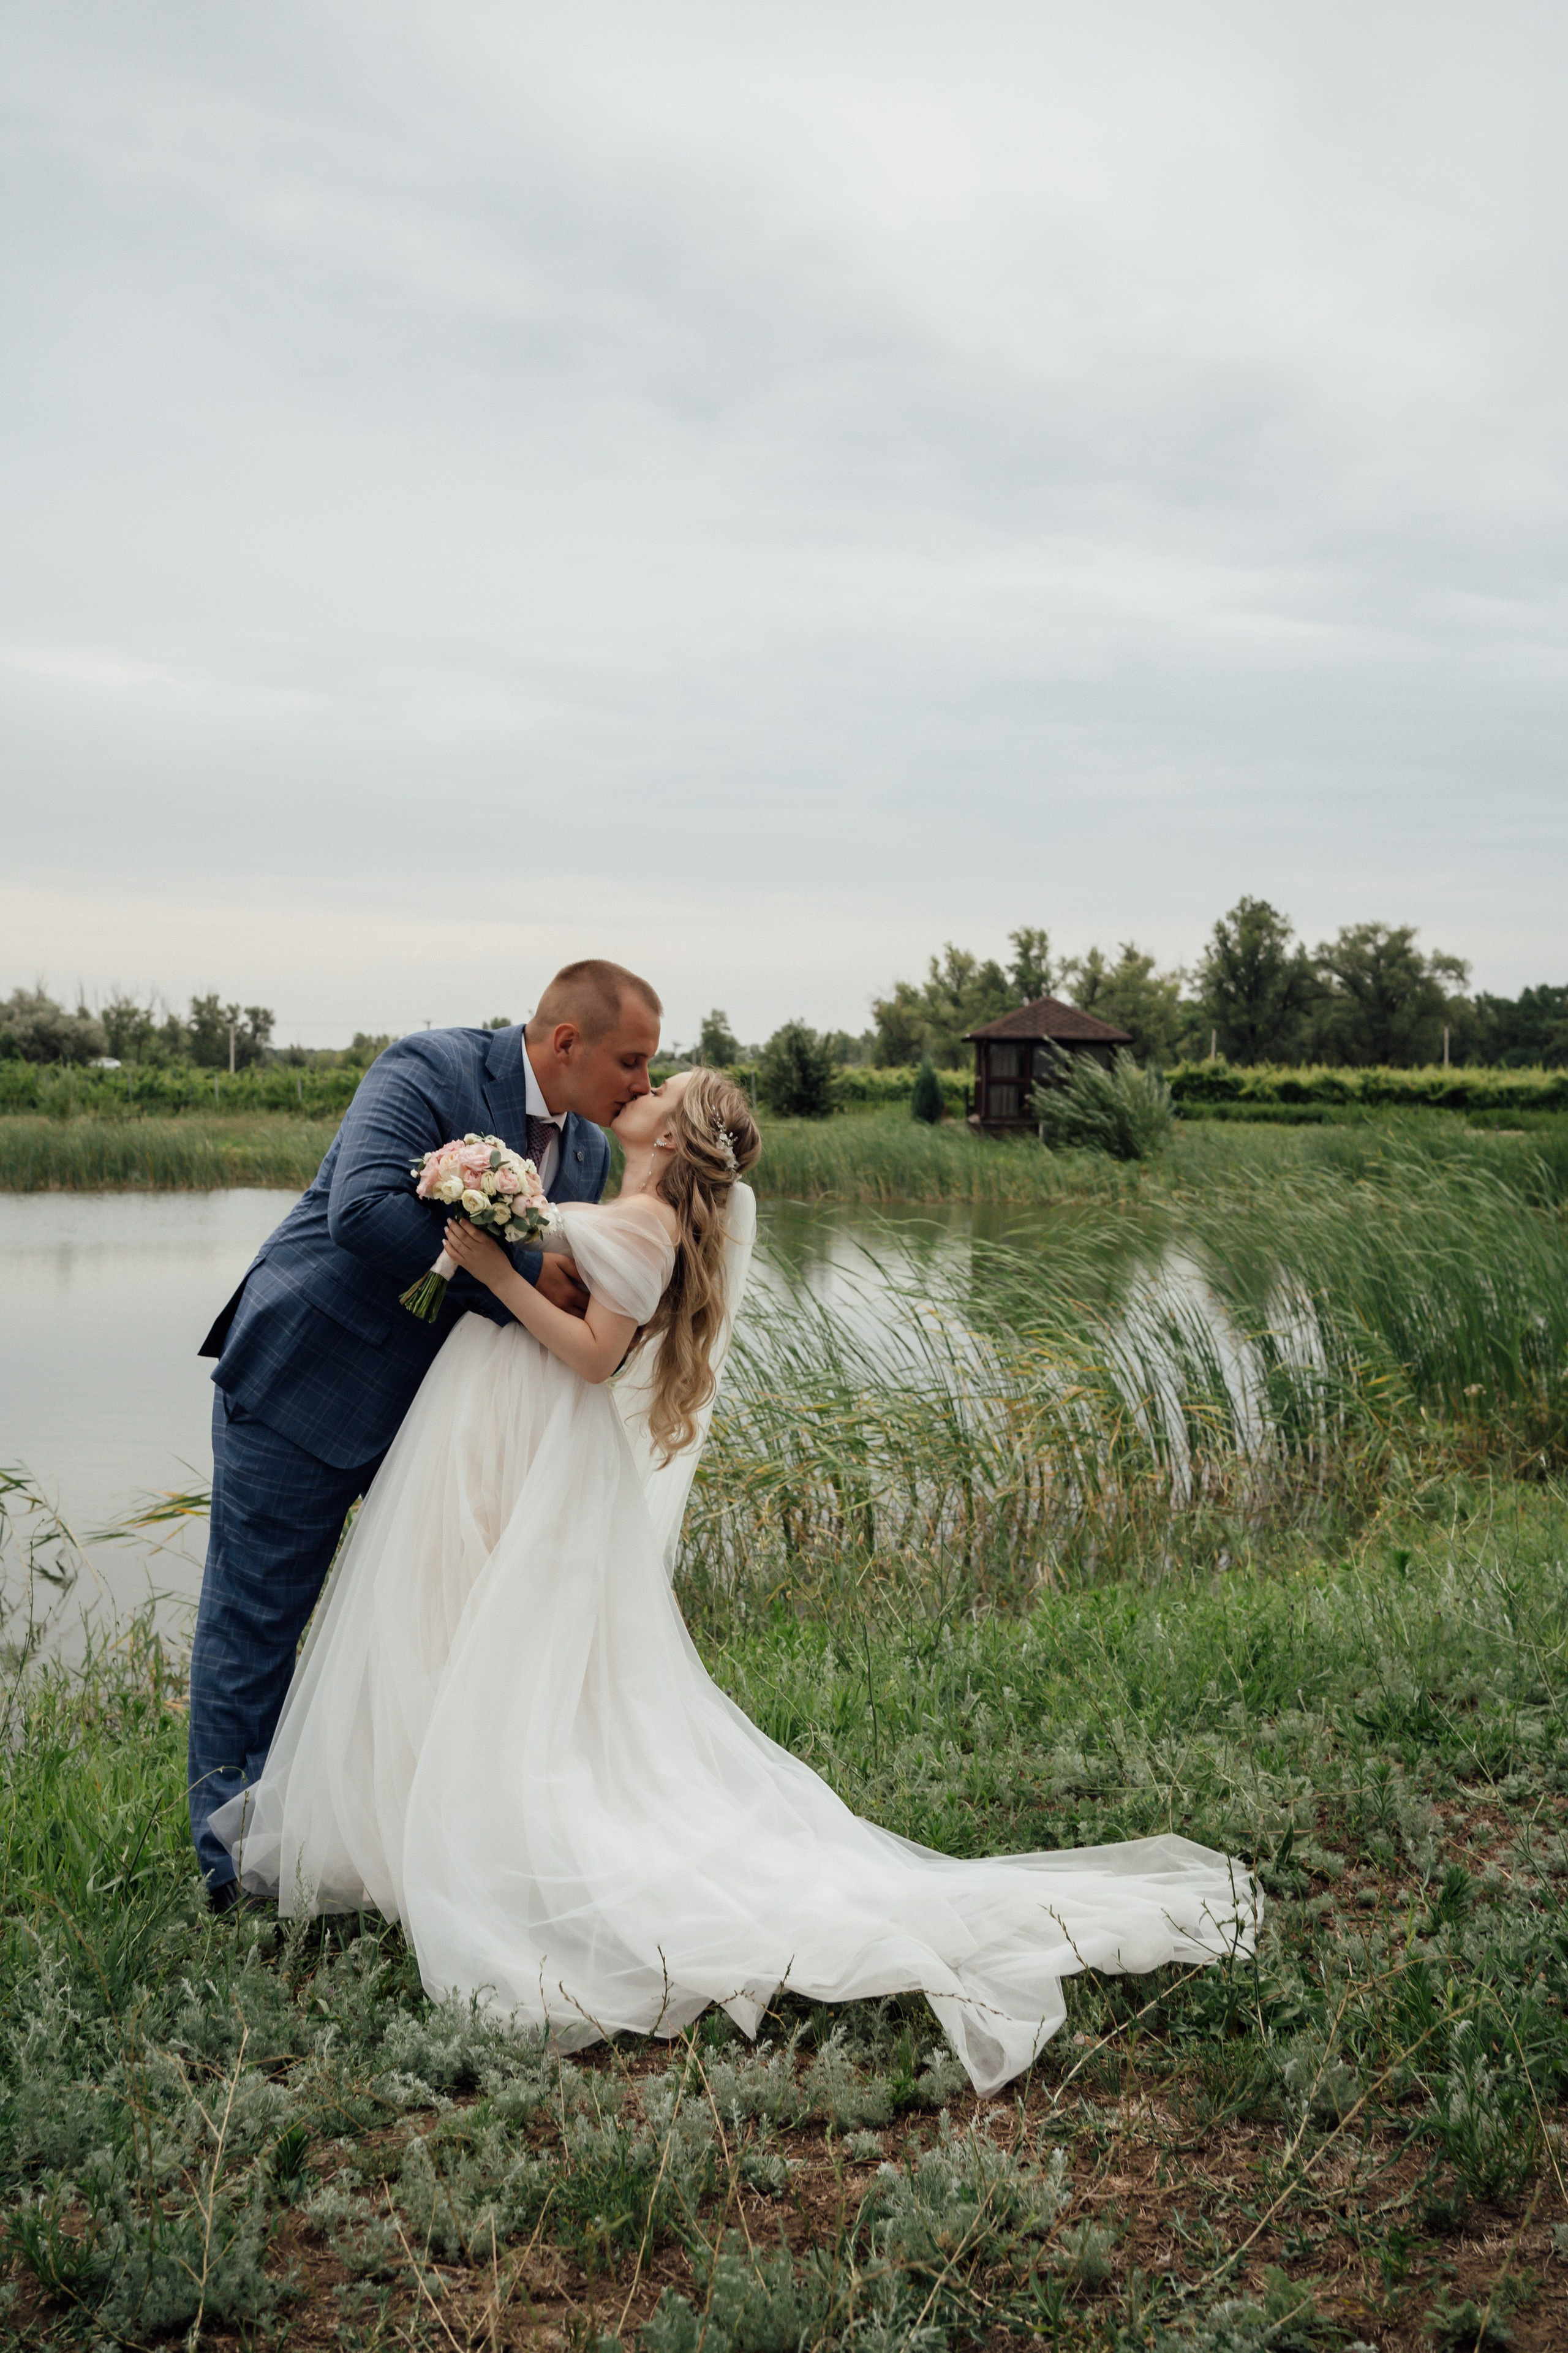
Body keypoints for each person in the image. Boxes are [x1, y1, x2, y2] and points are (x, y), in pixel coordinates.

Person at [212, 1066, 1256, 2097]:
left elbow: (587, 1356)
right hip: (500, 1424)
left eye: (666, 1084)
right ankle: (410, 1834)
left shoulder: (643, 1223)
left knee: (508, 1653)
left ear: (674, 1133)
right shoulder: (624, 1202)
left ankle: (473, 1849)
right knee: (465, 1632)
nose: (647, 1083)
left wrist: (493, 1270)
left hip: (534, 1421)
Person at [187, 958, 662, 1907]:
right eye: (634, 1062)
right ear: (567, 1043)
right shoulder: (428, 1071)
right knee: (255, 1634)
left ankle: (379, 1852)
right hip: (308, 1385)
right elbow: (362, 1211)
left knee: (410, 1640)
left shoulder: (598, 1155)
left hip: (437, 1430)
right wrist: (517, 1269)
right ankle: (236, 1875)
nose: (643, 1086)